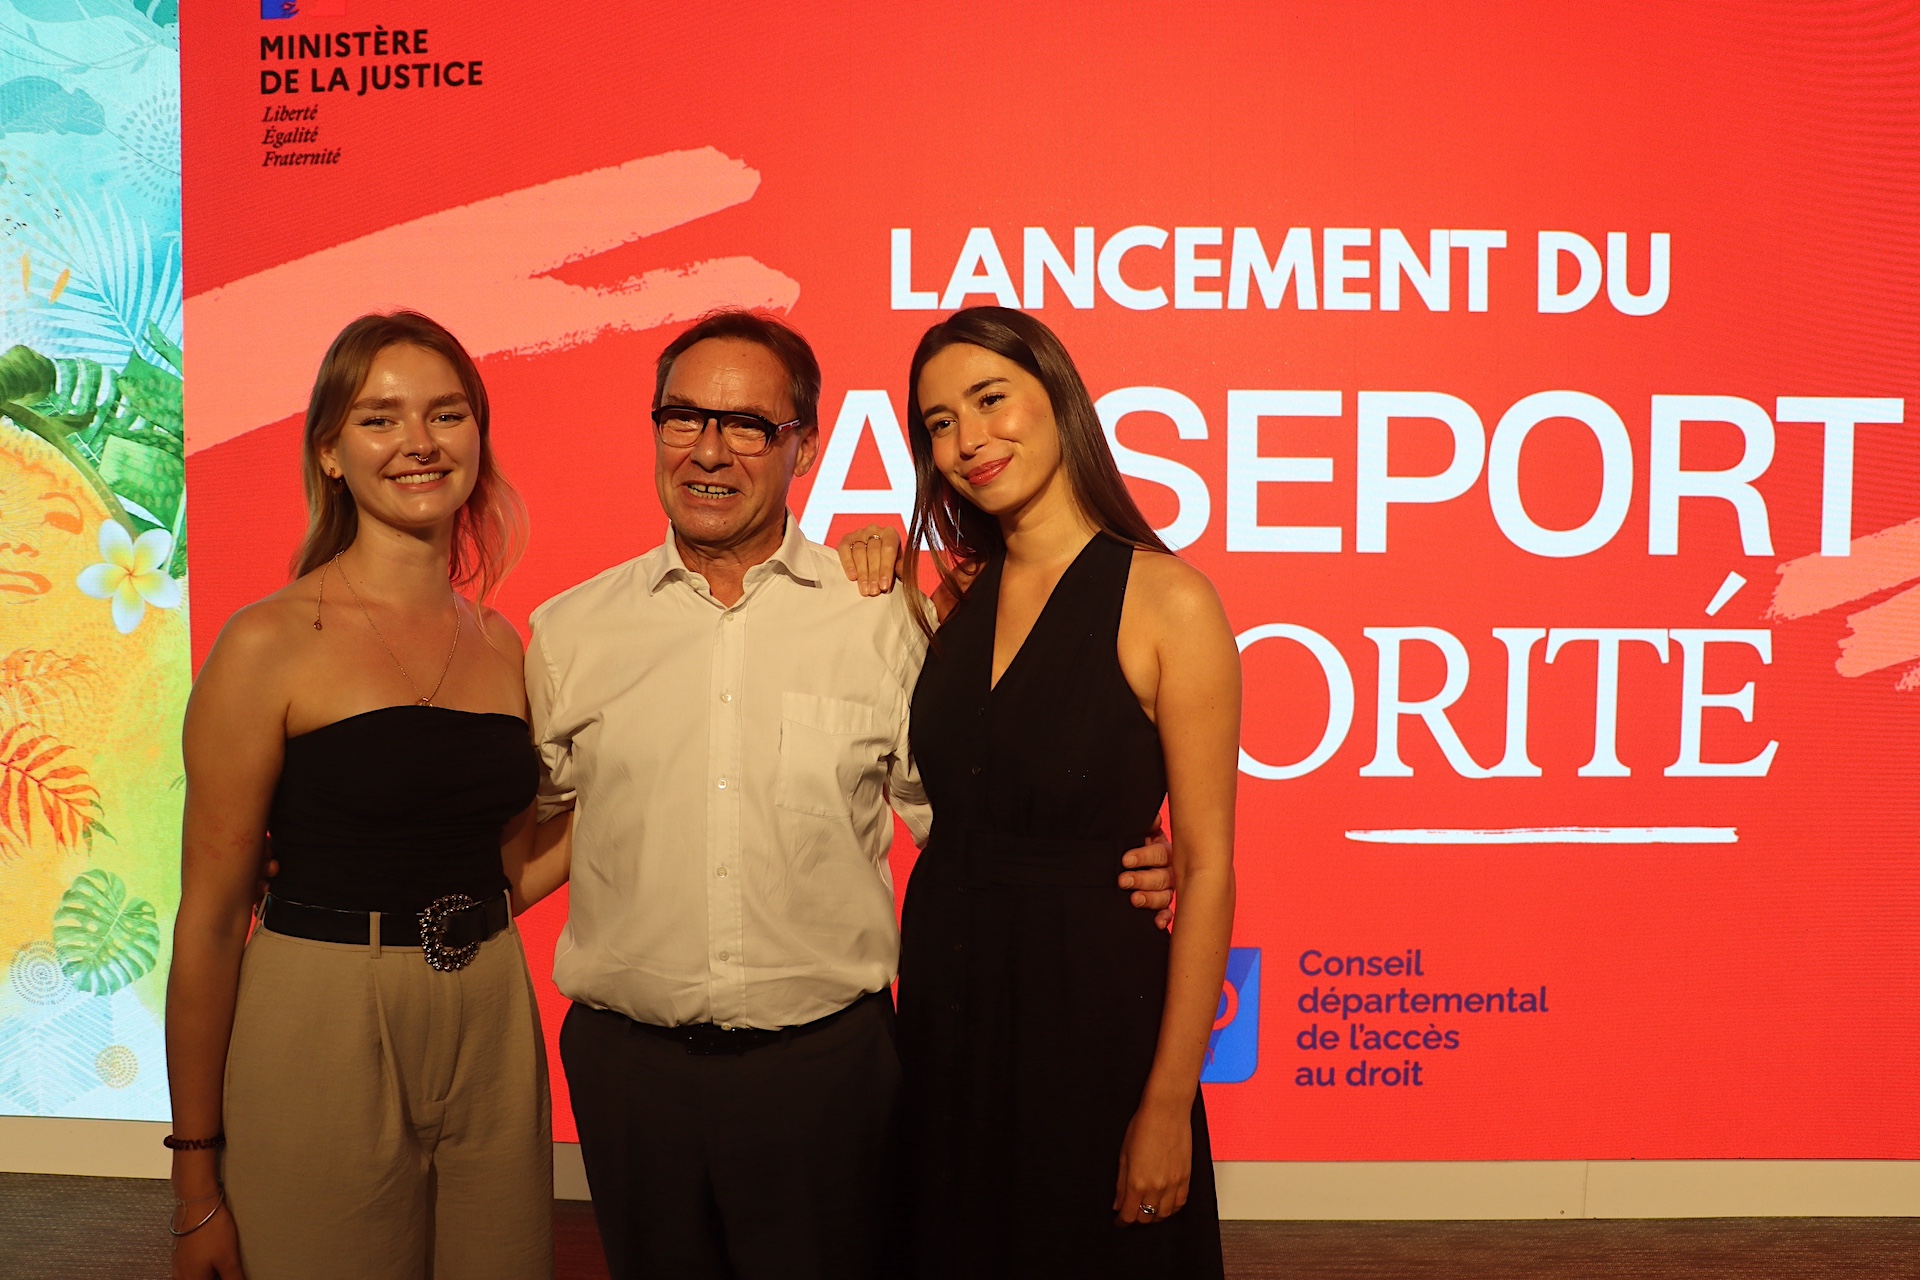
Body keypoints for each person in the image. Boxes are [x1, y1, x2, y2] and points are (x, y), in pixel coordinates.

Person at [525, 308, 1175, 1280]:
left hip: (828, 1075)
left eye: (748, 424)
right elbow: (537, 828)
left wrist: (1105, 862)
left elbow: (971, 827)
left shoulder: (883, 615)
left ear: (805, 446)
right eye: (683, 416)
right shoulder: (568, 629)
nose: (710, 449)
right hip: (629, 1075)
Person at [166, 312, 566, 1280]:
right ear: (330, 453)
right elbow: (213, 922)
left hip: (492, 1011)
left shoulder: (505, 644)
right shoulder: (266, 641)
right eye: (380, 418)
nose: (420, 443)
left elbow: (509, 870)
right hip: (321, 1012)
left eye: (447, 413)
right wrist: (193, 1182)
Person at [892, 306, 1239, 1278]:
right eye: (938, 422)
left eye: (990, 399)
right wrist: (870, 555)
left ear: (1060, 398)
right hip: (946, 1010)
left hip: (1089, 1019)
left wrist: (1168, 1102)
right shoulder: (950, 596)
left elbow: (1207, 866)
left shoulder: (1170, 598)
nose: (967, 439)